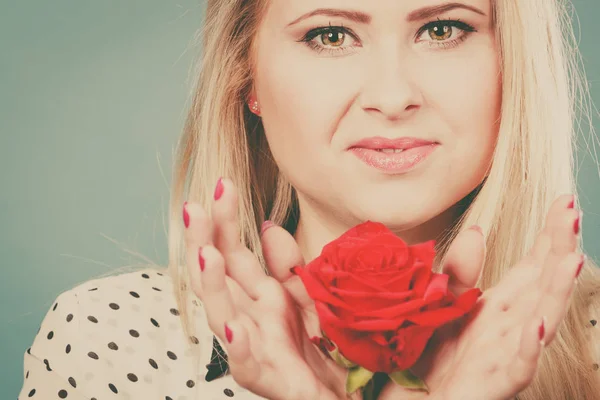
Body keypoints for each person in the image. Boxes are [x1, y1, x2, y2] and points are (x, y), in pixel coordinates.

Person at [18, 0, 600, 399]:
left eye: (443, 29)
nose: (393, 95)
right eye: (331, 35)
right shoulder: (109, 340)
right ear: (246, 75)